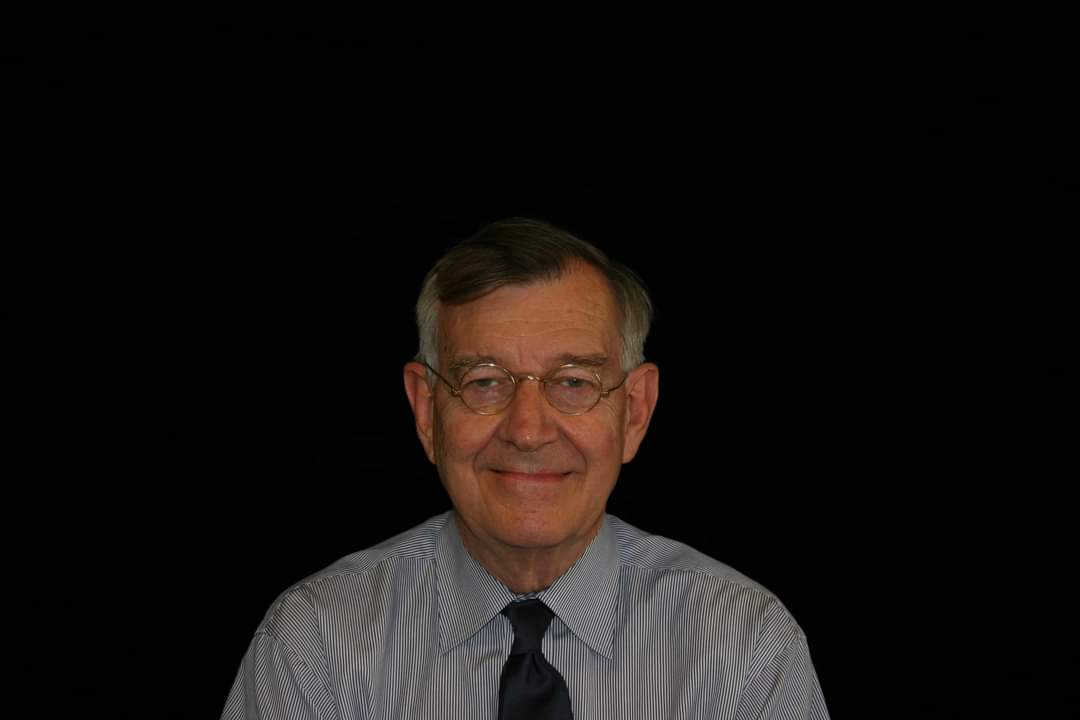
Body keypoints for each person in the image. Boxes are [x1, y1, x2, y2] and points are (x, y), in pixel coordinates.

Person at [222, 218, 830, 719]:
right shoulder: (314, 643)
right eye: (485, 382)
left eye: (574, 381)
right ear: (427, 410)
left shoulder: (748, 646)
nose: (529, 431)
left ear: (636, 411)